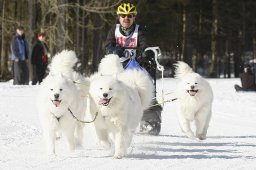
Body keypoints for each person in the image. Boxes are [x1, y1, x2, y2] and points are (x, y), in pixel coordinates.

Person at [104, 2, 162, 135]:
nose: (126, 18)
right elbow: (107, 46)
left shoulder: (139, 31)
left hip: (137, 65)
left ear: (134, 17)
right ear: (119, 17)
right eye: (123, 16)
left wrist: (144, 53)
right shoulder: (113, 31)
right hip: (118, 66)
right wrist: (114, 50)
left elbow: (145, 44)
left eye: (129, 16)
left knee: (146, 83)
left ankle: (149, 117)